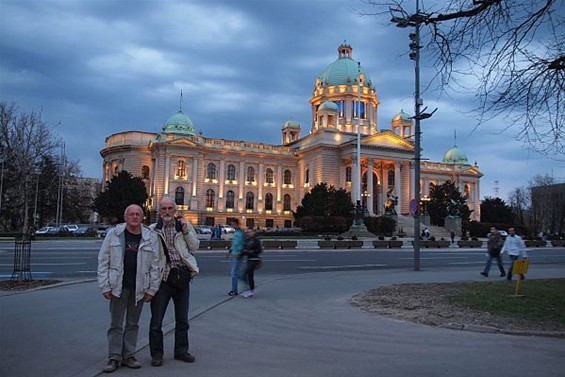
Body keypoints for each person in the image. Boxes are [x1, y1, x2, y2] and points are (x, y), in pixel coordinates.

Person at [97, 204, 161, 374]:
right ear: (125, 217)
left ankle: (129, 355)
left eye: (137, 214)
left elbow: (156, 265)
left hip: (139, 287)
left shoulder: (149, 236)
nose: (134, 217)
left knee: (133, 324)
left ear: (142, 217)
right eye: (131, 214)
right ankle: (114, 357)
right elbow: (103, 260)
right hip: (118, 286)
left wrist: (151, 290)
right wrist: (104, 285)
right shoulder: (114, 234)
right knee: (115, 324)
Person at [149, 197, 200, 367]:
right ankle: (157, 354)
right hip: (162, 280)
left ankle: (181, 351)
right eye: (164, 208)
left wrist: (186, 231)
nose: (167, 212)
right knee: (156, 320)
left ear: (175, 210)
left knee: (182, 319)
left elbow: (195, 247)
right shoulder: (152, 230)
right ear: (159, 211)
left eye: (170, 208)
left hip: (181, 278)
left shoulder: (183, 226)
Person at [240, 228, 263, 298]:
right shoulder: (247, 240)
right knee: (250, 275)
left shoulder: (256, 240)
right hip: (249, 259)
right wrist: (242, 253)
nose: (249, 233)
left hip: (255, 259)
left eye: (251, 232)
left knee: (245, 273)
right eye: (248, 232)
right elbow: (244, 249)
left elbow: (259, 250)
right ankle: (251, 290)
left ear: (254, 232)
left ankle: (250, 289)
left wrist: (252, 251)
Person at [226, 219, 245, 296]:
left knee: (234, 273)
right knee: (235, 273)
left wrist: (240, 253)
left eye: (233, 224)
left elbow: (244, 244)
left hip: (238, 255)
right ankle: (246, 280)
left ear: (237, 224)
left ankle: (234, 290)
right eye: (231, 224)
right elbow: (234, 244)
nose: (232, 226)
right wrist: (229, 252)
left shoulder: (241, 233)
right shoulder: (236, 232)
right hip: (234, 254)